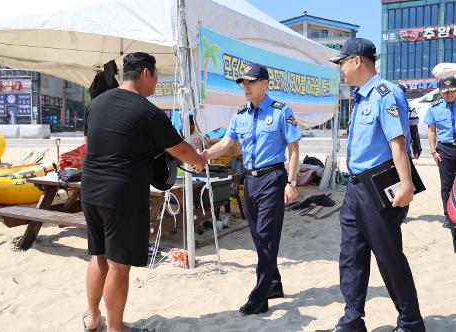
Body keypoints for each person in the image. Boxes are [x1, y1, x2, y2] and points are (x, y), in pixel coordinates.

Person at [81, 52, 207, 332]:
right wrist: (200, 161)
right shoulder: (147, 111)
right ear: (146, 73)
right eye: (156, 77)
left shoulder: (97, 103)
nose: (156, 83)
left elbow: (90, 145)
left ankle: (92, 319)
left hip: (90, 189)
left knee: (98, 256)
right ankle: (116, 328)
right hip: (122, 195)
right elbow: (181, 150)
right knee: (118, 265)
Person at [320, 38, 425, 332]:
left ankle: (411, 323)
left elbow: (398, 142)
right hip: (354, 189)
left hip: (377, 188)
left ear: (356, 61)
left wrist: (406, 184)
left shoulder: (385, 94)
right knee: (351, 256)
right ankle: (352, 320)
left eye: (342, 62)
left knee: (389, 256)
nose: (340, 69)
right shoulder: (360, 97)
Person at [201, 63, 301, 315]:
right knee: (258, 238)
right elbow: (226, 143)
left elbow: (294, 150)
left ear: (264, 84)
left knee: (267, 238)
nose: (245, 86)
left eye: (250, 82)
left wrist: (291, 182)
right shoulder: (240, 114)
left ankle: (259, 297)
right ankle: (274, 283)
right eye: (242, 83)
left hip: (273, 179)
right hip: (251, 181)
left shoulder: (281, 111)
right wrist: (203, 156)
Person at [424, 76, 456, 229]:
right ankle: (448, 216)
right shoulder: (435, 107)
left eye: (451, 91)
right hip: (445, 149)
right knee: (446, 185)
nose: (448, 94)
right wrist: (433, 151)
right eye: (445, 92)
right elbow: (431, 131)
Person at [396, 83, 422, 159]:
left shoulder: (410, 110)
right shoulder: (385, 109)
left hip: (405, 147)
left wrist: (417, 146)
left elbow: (414, 131)